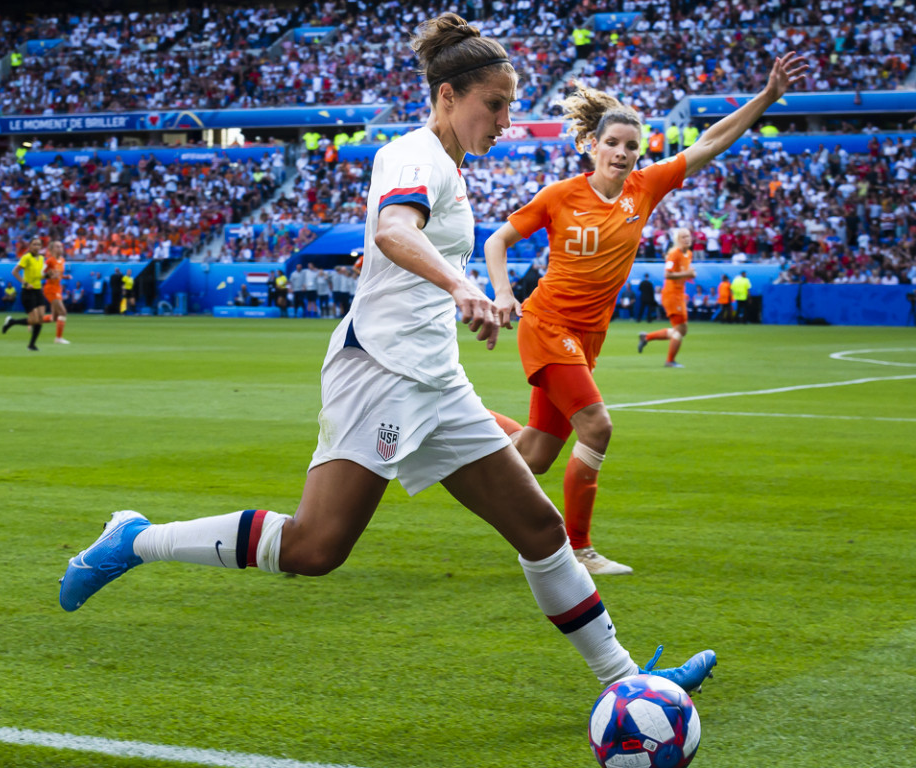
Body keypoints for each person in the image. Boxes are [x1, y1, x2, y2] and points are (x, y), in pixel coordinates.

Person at [59, 13, 716, 695]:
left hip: (436, 380)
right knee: (316, 548)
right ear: (448, 97)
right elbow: (394, 231)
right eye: (495, 104)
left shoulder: (453, 171)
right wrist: (464, 288)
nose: (505, 120)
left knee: (540, 527)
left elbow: (419, 256)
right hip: (381, 375)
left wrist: (471, 304)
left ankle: (628, 681)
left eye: (511, 106)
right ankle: (135, 539)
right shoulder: (412, 156)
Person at [482, 50, 807, 574]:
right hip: (547, 325)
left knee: (536, 454)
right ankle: (579, 552)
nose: (622, 152)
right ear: (591, 146)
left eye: (632, 146)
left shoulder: (645, 189)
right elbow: (497, 241)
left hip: (588, 338)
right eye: (612, 143)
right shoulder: (560, 196)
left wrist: (767, 97)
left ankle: (460, 424)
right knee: (597, 427)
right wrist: (502, 294)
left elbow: (711, 141)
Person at [638, 228, 696, 367]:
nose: (687, 239)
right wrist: (687, 273)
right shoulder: (674, 254)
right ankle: (669, 361)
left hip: (679, 293)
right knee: (680, 329)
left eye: (688, 236)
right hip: (672, 295)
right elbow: (667, 274)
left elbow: (681, 273)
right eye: (683, 237)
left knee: (682, 330)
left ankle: (647, 337)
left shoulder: (688, 254)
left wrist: (688, 275)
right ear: (677, 240)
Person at [2, 236, 48, 351]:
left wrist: (47, 276)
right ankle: (11, 322)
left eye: (38, 244)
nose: (36, 246)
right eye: (34, 244)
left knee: (40, 319)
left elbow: (40, 274)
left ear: (41, 246)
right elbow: (15, 272)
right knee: (34, 320)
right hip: (28, 292)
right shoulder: (26, 257)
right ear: (30, 246)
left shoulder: (42, 258)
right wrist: (25, 283)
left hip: (38, 290)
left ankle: (32, 345)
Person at [42, 240, 71, 344]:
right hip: (50, 288)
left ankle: (33, 321)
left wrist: (65, 277)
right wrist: (48, 275)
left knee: (54, 317)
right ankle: (58, 338)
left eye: (61, 246)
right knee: (63, 312)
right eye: (57, 247)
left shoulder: (62, 260)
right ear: (52, 249)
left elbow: (58, 274)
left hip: (58, 288)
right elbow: (40, 273)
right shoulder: (49, 261)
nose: (60, 248)